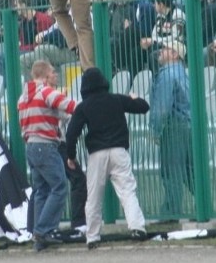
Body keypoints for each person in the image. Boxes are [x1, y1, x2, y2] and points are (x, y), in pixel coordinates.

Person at [65, 68, 149, 248]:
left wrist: (71, 156)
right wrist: (135, 98)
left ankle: (93, 236)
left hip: (97, 154)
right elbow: (144, 107)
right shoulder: (116, 99)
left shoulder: (83, 107)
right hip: (119, 151)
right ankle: (137, 227)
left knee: (94, 196)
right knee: (127, 190)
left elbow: (71, 134)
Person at [17, 60, 76, 251]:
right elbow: (70, 106)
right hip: (45, 145)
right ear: (44, 75)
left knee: (41, 190)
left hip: (31, 146)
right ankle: (44, 230)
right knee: (59, 187)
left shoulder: (23, 97)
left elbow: (48, 113)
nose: (55, 75)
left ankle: (39, 237)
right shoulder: (46, 92)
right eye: (53, 72)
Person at [149, 39, 194, 220]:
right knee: (190, 171)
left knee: (171, 171)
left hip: (174, 127)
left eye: (165, 48)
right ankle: (204, 207)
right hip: (189, 126)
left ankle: (170, 212)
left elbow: (162, 107)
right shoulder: (183, 73)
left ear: (175, 54)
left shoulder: (167, 74)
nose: (160, 51)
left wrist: (155, 130)